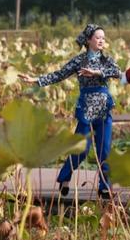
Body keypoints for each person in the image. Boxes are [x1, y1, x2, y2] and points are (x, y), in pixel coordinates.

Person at [18, 24, 120, 198]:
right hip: (86, 108)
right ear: (88, 40)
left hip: (104, 108)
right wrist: (36, 80)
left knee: (105, 149)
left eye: (103, 37)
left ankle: (104, 186)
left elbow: (117, 72)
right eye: (98, 37)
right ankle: (65, 178)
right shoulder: (79, 61)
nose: (102, 40)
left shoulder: (107, 60)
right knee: (81, 148)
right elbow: (59, 74)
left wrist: (97, 72)